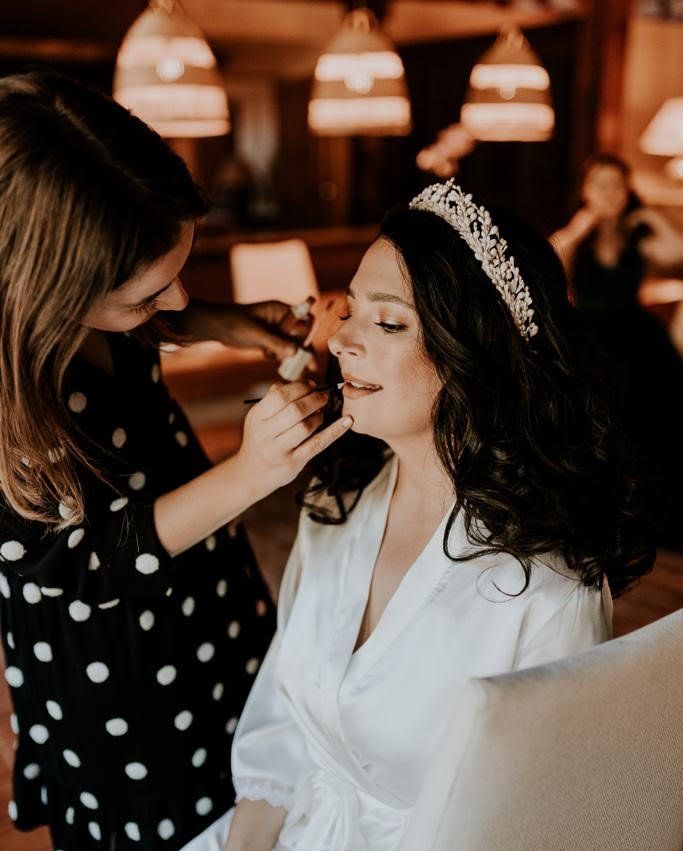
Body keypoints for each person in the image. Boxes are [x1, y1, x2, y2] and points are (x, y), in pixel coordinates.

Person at [215, 181, 655, 851]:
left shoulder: (546, 586)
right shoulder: (334, 502)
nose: (339, 341)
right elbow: (281, 725)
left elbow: (534, 822)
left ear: (470, 353)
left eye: (387, 321)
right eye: (351, 310)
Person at [0, 72, 352, 851]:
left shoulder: (96, 307)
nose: (176, 297)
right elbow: (81, 565)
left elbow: (152, 314)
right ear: (49, 289)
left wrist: (226, 322)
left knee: (255, 769)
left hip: (203, 582)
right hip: (113, 658)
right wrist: (251, 472)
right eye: (147, 293)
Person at [551, 153, 683, 549]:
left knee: (654, 420)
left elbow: (678, 254)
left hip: (636, 338)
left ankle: (649, 516)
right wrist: (584, 222)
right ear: (586, 190)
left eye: (617, 185)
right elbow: (549, 259)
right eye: (600, 185)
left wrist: (652, 218)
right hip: (588, 339)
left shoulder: (638, 235)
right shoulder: (579, 236)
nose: (610, 193)